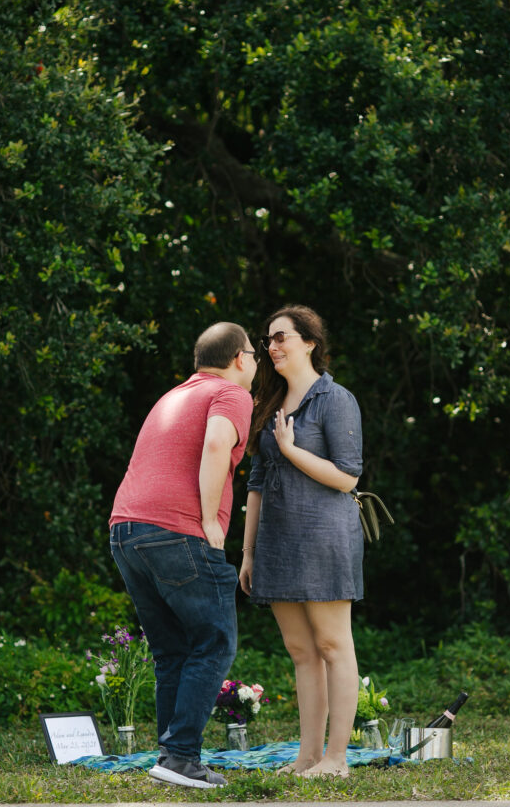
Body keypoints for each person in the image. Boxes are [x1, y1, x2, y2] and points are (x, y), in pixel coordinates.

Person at [109, 321, 257, 789]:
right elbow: (216, 443)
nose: (255, 362)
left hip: (125, 531)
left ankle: (169, 757)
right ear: (238, 358)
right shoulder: (231, 394)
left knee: (172, 649)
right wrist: (211, 518)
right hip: (177, 533)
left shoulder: (173, 396)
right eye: (253, 353)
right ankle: (181, 758)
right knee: (214, 642)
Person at [239, 305, 363, 778]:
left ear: (310, 342)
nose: (271, 346)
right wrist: (247, 553)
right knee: (301, 652)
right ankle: (308, 756)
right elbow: (255, 481)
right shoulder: (268, 406)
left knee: (334, 646)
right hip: (276, 542)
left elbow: (348, 478)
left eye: (281, 337)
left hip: (325, 538)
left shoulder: (335, 400)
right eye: (267, 339)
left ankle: (337, 759)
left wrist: (291, 451)